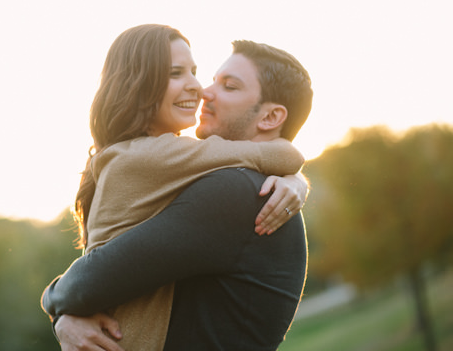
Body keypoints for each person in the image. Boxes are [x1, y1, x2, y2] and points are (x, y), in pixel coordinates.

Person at [42, 37, 313, 350]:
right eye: (211, 79)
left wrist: (57, 306)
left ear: (270, 117)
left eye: (229, 86)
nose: (203, 91)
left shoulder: (235, 195)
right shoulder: (233, 186)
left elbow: (87, 285)